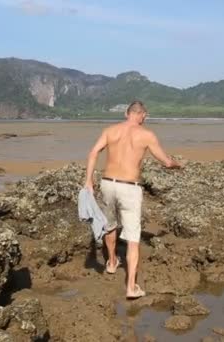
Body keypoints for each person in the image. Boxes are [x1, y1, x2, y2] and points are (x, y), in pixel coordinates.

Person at [84, 100, 181, 299]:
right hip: (130, 188)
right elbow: (165, 161)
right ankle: (131, 287)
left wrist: (88, 181)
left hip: (108, 183)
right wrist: (178, 164)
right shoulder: (146, 135)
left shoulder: (110, 130)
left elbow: (93, 152)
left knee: (109, 225)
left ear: (126, 114)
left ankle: (111, 263)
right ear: (143, 115)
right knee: (133, 239)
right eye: (145, 116)